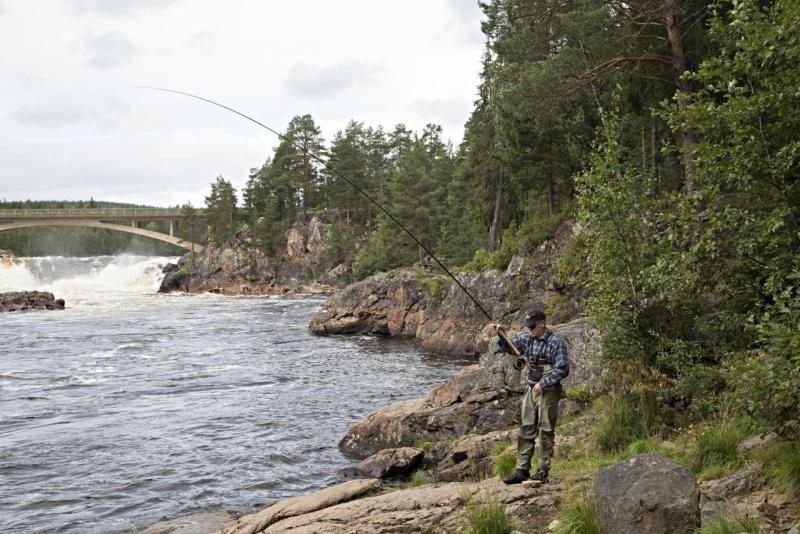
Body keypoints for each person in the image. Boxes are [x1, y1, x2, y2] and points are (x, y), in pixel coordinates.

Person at [489, 305, 569, 484]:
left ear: (542, 323)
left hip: (549, 391)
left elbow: (563, 369)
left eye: (533, 326)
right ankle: (522, 471)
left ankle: (542, 471)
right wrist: (501, 334)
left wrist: (544, 383)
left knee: (546, 430)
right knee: (526, 428)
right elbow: (510, 349)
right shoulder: (527, 339)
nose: (530, 329)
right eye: (529, 326)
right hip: (531, 389)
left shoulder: (556, 343)